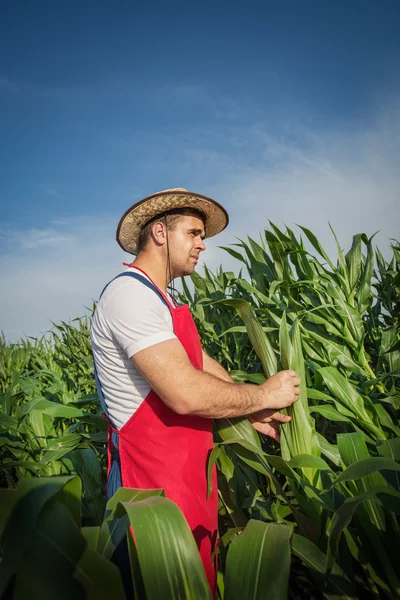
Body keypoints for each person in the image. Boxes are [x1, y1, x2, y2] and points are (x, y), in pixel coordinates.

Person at [91, 187, 300, 597]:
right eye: (194, 233)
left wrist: (247, 412)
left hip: (182, 482)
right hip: (149, 494)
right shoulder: (130, 295)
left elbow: (200, 365)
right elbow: (185, 392)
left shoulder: (161, 299)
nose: (203, 244)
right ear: (159, 233)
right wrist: (263, 395)